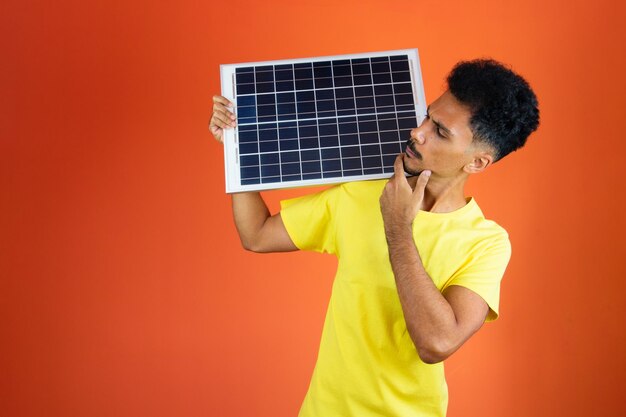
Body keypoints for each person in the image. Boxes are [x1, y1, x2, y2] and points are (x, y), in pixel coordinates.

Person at [209, 58, 539, 417]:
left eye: (441, 132)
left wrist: (398, 228)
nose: (418, 131)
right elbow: (257, 234)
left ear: (477, 162)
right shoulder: (364, 193)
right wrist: (236, 146)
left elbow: (437, 343)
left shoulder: (486, 243)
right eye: (428, 116)